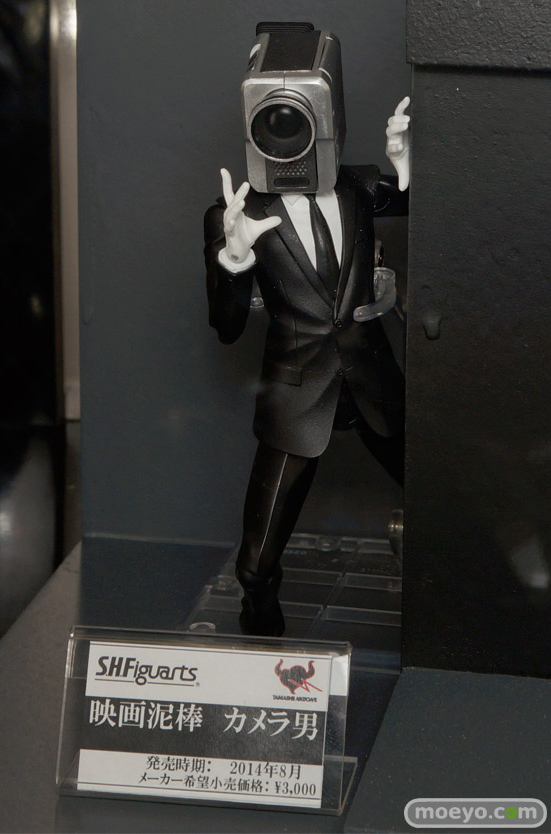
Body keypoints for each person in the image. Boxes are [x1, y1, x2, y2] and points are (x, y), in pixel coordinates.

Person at [204, 28, 410, 636]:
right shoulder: (237, 214)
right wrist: (234, 258)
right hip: (298, 393)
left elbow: (418, 202)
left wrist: (404, 162)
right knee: (256, 562)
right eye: (274, 121)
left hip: (372, 381)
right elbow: (226, 326)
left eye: (300, 118)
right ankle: (260, 642)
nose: (288, 135)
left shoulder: (357, 186)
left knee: (447, 499)